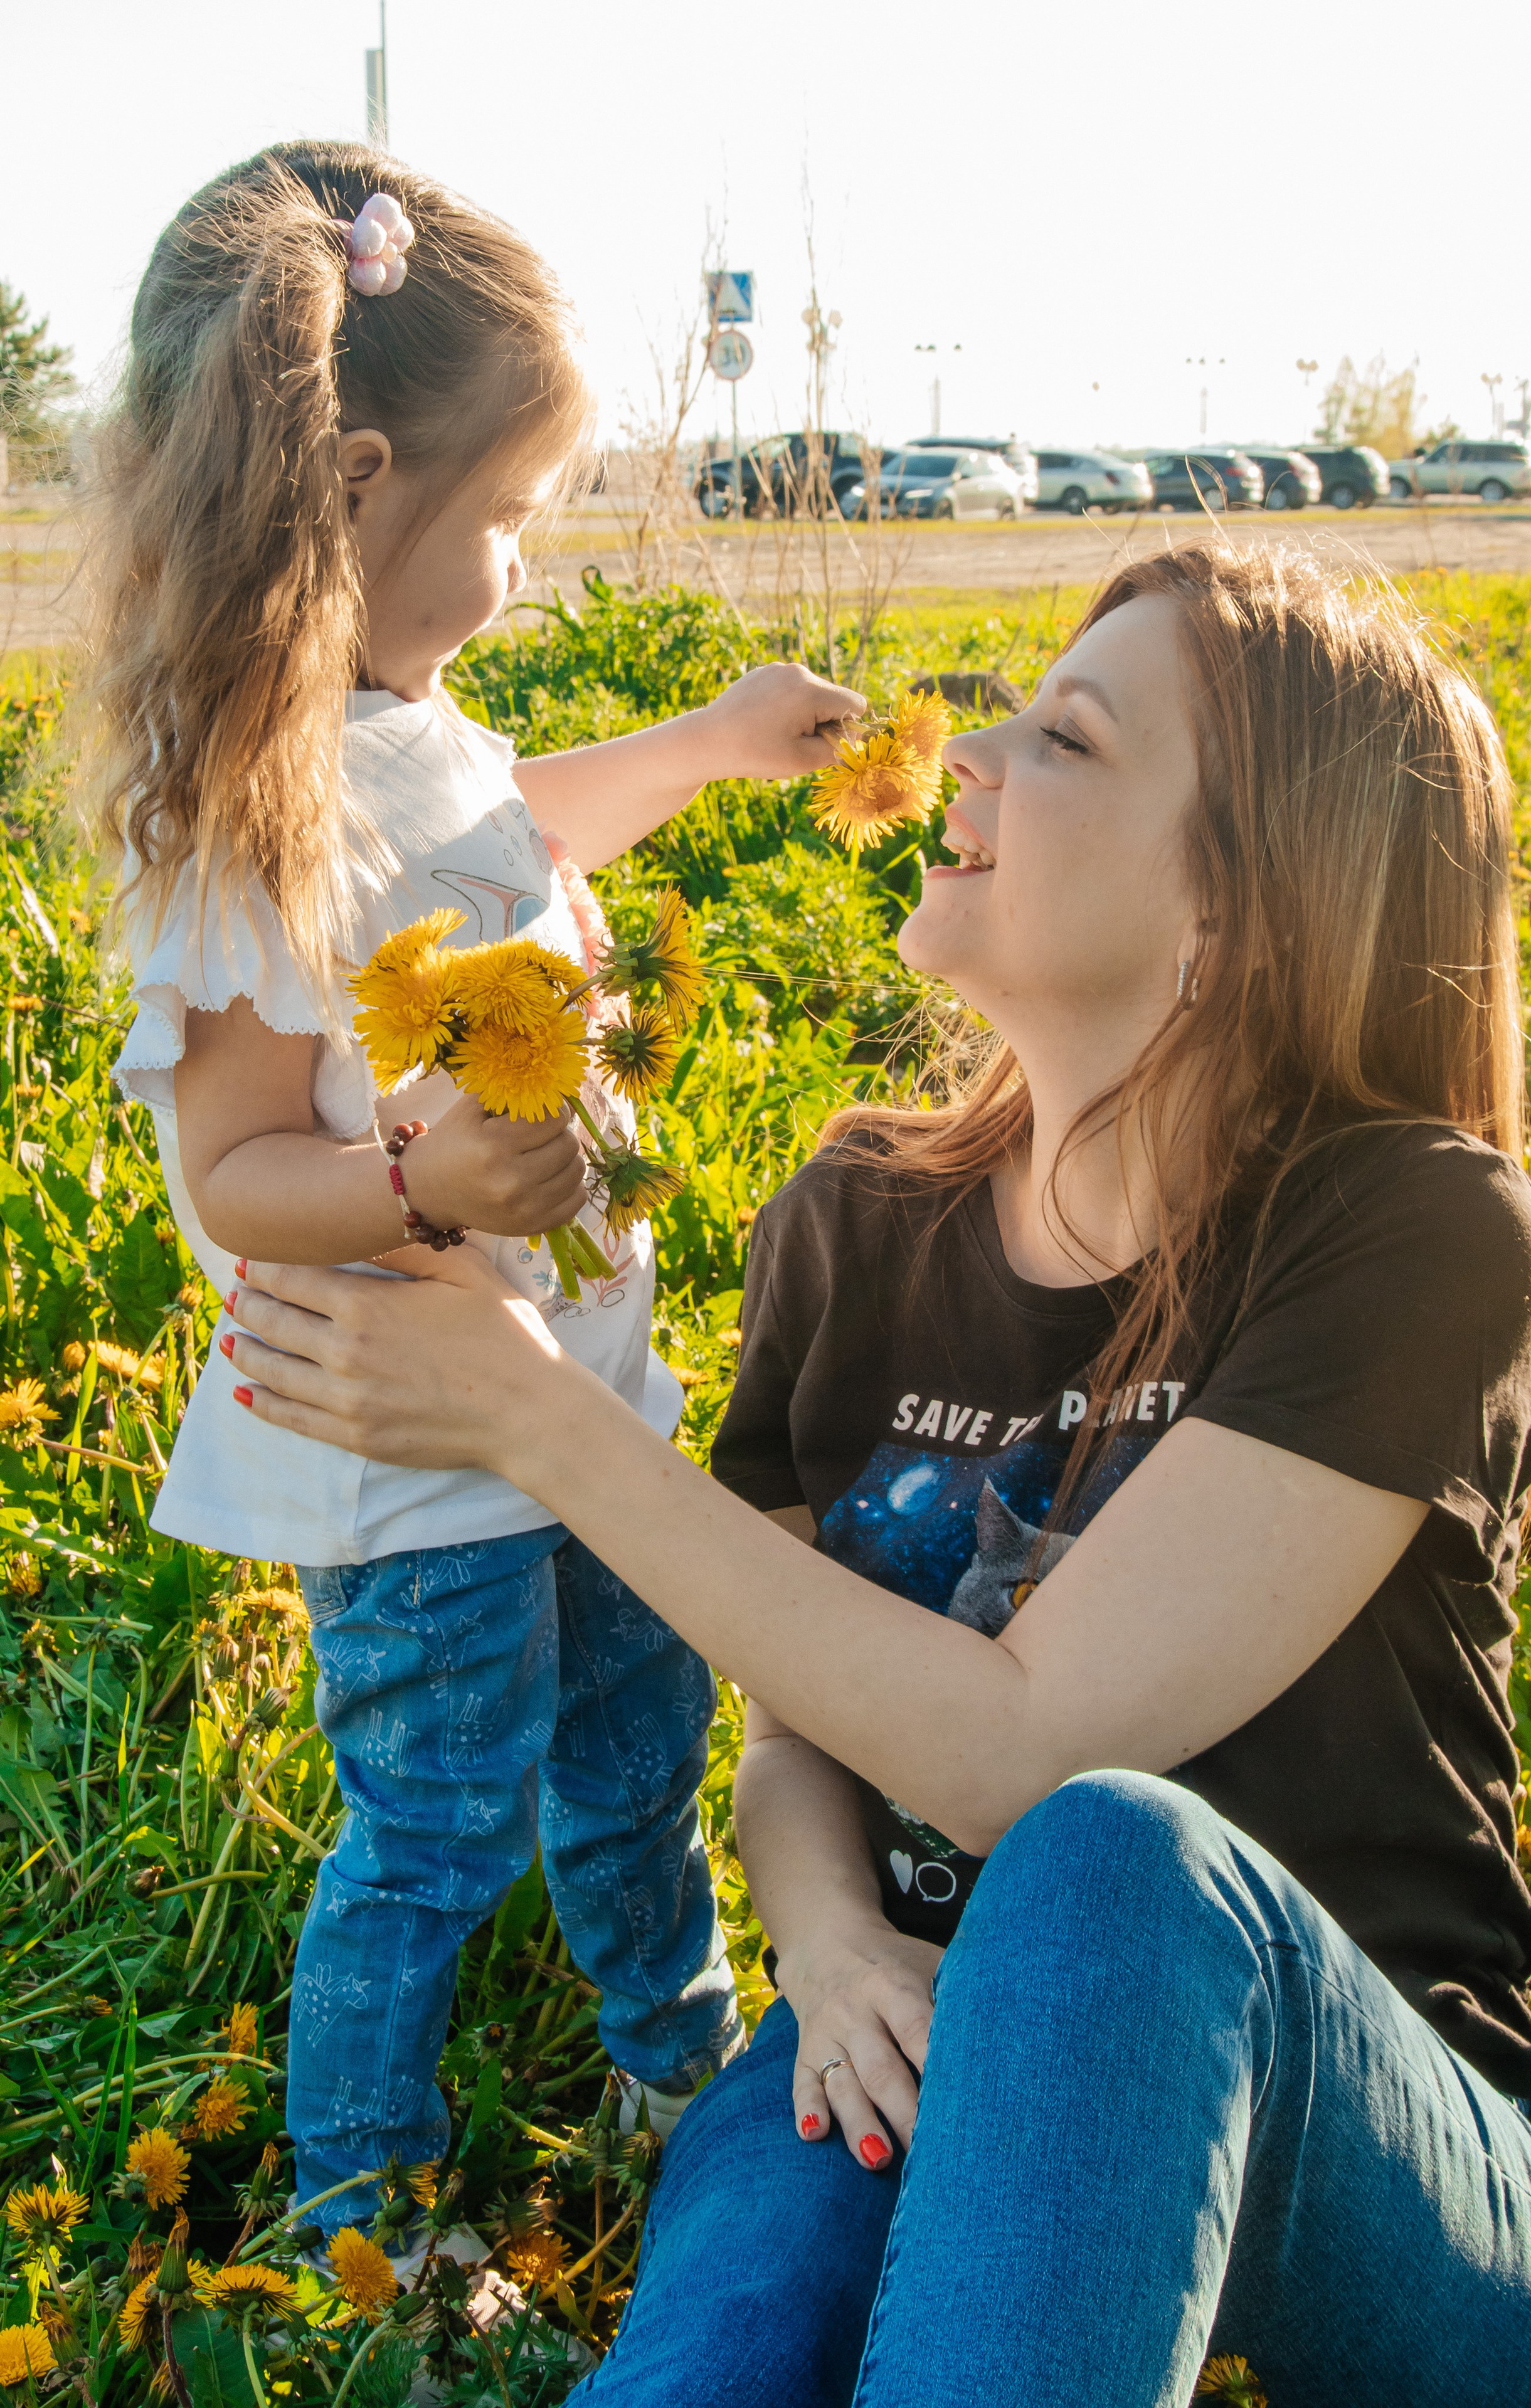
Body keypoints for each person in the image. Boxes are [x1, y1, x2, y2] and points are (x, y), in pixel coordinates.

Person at [220, 542, 1531, 2405]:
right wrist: (837, 1941)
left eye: (1069, 742)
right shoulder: (854, 1219)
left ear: (1243, 905)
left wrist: (540, 1416)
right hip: (907, 2044)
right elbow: (798, 1735)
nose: (969, 757)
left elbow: (1020, 1750)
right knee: (743, 2304)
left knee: (1112, 1864)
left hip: (1370, 2159)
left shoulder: (1413, 1229)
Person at [88, 138, 863, 2249]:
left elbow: (520, 827)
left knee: (635, 1747)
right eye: (508, 517)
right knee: (431, 1827)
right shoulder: (251, 814)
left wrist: (704, 740)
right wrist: (418, 1167)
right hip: (420, 1454)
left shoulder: (414, 722)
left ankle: (674, 2069)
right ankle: (363, 2209)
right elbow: (237, 1172)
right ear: (351, 490)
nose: (521, 564)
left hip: (572, 1405)